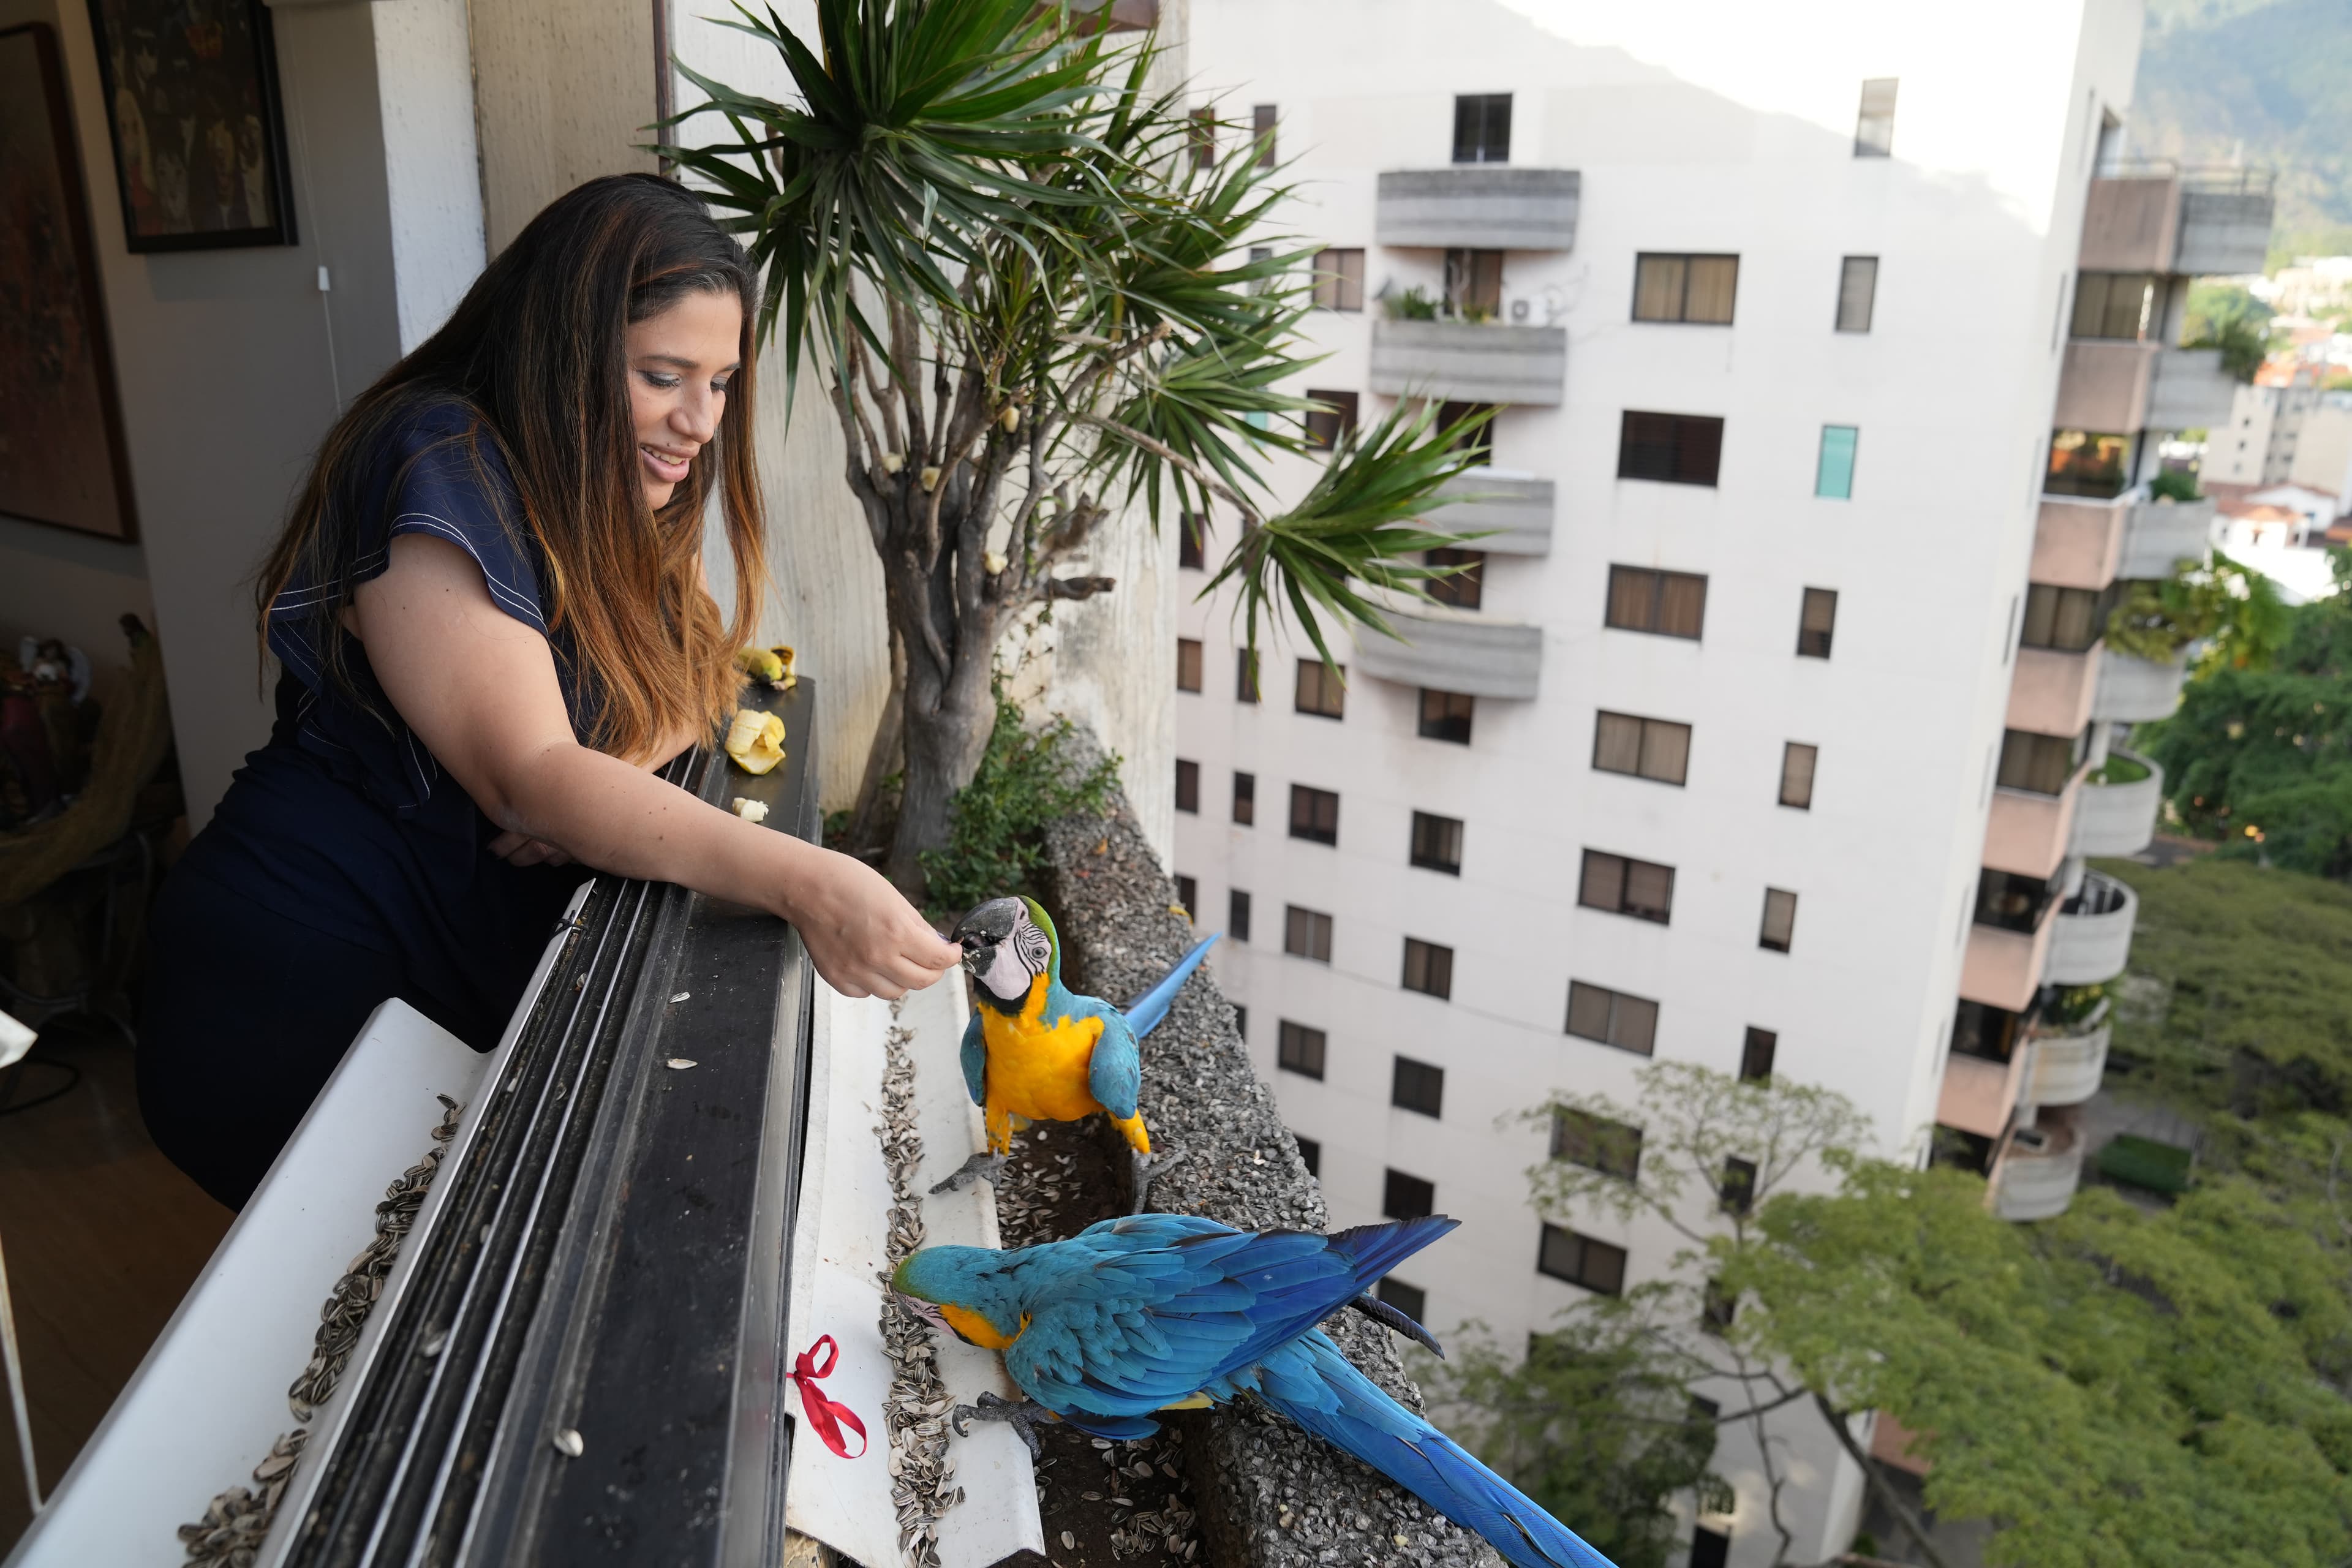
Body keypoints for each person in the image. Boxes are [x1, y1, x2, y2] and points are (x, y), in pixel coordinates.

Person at [137, 175, 959, 1208]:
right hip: (298, 975)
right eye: (665, 374)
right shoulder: (437, 457)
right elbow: (533, 776)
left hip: (437, 972)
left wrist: (597, 776)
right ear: (565, 349)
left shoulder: (625, 471)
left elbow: (704, 669)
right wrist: (810, 881)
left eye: (721, 381)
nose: (700, 419)